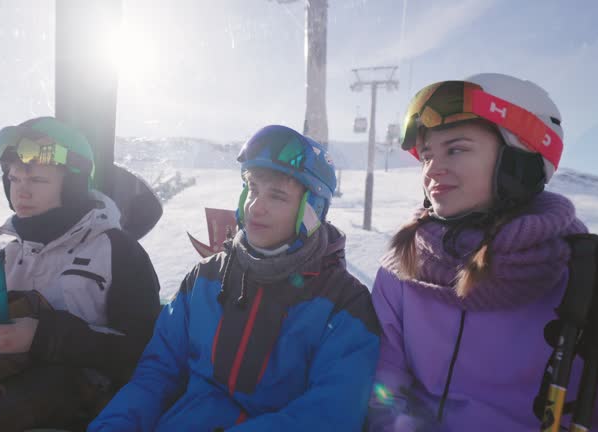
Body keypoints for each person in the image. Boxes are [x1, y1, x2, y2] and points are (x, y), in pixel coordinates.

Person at [366, 73, 598, 430]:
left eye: (455, 149)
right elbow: (384, 387)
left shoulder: (586, 283)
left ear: (519, 161)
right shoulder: (402, 269)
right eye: (427, 155)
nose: (432, 169)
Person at [88, 125, 381, 431]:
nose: (256, 206)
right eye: (253, 189)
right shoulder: (206, 278)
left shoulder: (344, 303)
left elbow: (331, 413)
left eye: (277, 196)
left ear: (312, 210)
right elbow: (157, 373)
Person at [0, 117, 162, 430]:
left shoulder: (117, 251)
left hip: (93, 415)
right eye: (14, 178)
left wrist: (42, 337)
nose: (22, 192)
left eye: (36, 180)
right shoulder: (7, 257)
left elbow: (146, 356)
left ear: (73, 184)